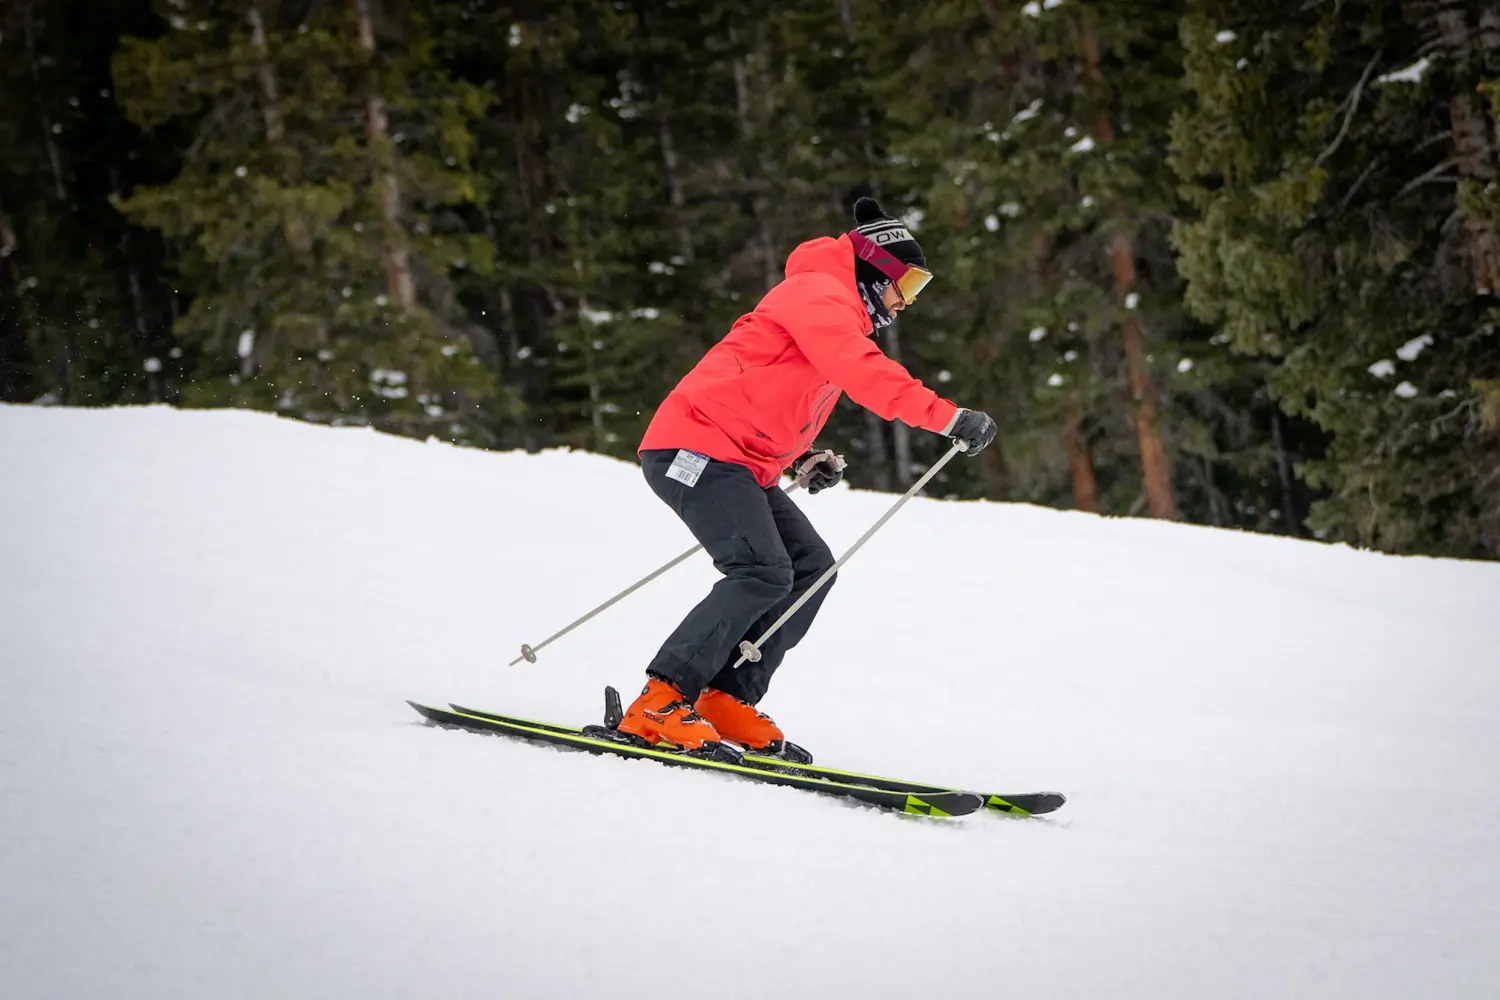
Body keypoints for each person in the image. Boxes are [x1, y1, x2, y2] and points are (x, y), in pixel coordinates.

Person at [619, 197, 997, 753]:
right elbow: (864, 375)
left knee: (809, 568)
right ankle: (659, 702)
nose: (906, 301)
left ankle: (725, 699)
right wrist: (947, 417)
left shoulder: (833, 306)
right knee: (761, 569)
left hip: (740, 460)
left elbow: (769, 391)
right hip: (693, 446)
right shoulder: (821, 294)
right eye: (907, 284)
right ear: (877, 271)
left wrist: (801, 459)